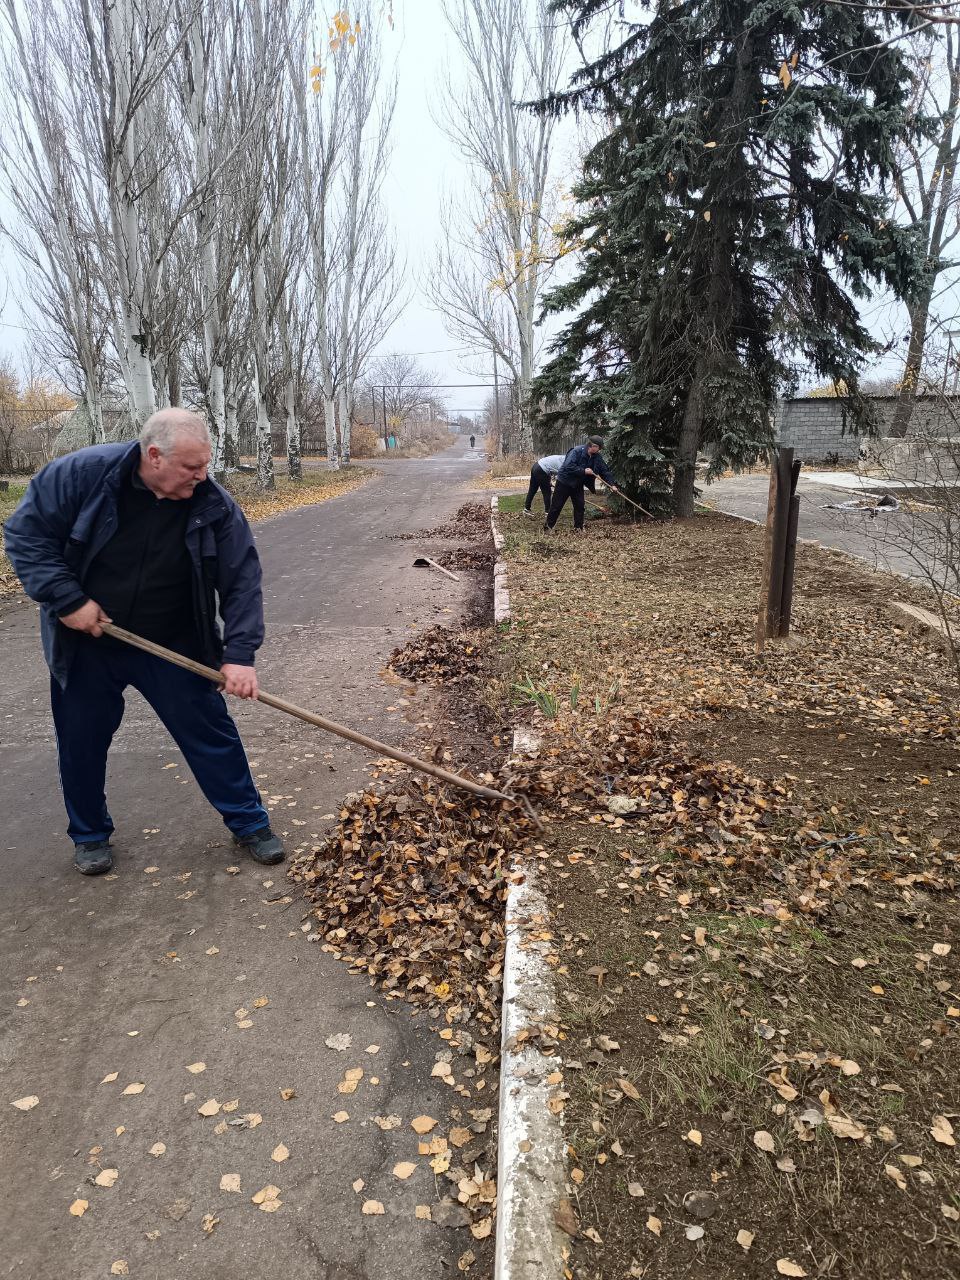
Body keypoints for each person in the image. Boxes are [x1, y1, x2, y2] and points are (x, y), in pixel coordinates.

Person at [4, 409, 284, 876]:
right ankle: (90, 835)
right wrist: (68, 600)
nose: (202, 476)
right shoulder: (82, 476)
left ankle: (249, 823)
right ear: (153, 456)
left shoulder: (212, 503)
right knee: (81, 740)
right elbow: (26, 536)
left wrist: (239, 656)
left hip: (174, 641)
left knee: (210, 733)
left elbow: (242, 582)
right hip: (89, 640)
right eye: (192, 467)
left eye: (205, 465)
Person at [544, 435, 622, 532]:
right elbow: (569, 466)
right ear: (593, 446)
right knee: (557, 506)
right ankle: (548, 527)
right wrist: (583, 471)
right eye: (599, 448)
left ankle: (578, 528)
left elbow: (604, 471)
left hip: (577, 484)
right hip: (564, 482)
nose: (600, 450)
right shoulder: (576, 451)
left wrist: (612, 484)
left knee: (580, 506)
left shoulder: (597, 457)